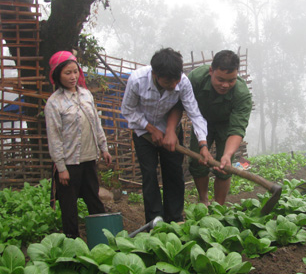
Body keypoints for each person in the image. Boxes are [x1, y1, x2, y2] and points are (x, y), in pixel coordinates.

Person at [121, 47, 209, 224]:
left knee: (174, 174)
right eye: (169, 82)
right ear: (155, 74)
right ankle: (155, 221)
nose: (174, 86)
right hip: (143, 133)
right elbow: (127, 110)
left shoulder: (182, 82)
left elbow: (194, 113)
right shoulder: (137, 80)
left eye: (176, 80)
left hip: (172, 134)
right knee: (149, 174)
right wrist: (151, 129)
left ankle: (175, 218)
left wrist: (203, 144)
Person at [169, 50, 252, 206]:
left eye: (231, 80)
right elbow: (178, 104)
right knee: (198, 162)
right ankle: (204, 200)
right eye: (220, 79)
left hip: (226, 126)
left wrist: (227, 154)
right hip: (201, 123)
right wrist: (171, 130)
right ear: (211, 71)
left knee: (224, 167)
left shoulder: (242, 94)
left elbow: (237, 129)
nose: (225, 85)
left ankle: (219, 206)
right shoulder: (196, 79)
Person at [45, 51, 112, 238]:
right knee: (69, 206)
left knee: (94, 200)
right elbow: (54, 136)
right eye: (68, 73)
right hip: (68, 163)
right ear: (58, 74)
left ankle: (101, 239)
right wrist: (61, 168)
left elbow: (96, 124)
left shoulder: (86, 94)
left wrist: (104, 148)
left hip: (89, 158)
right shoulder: (54, 102)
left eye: (75, 72)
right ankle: (72, 244)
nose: (73, 77)